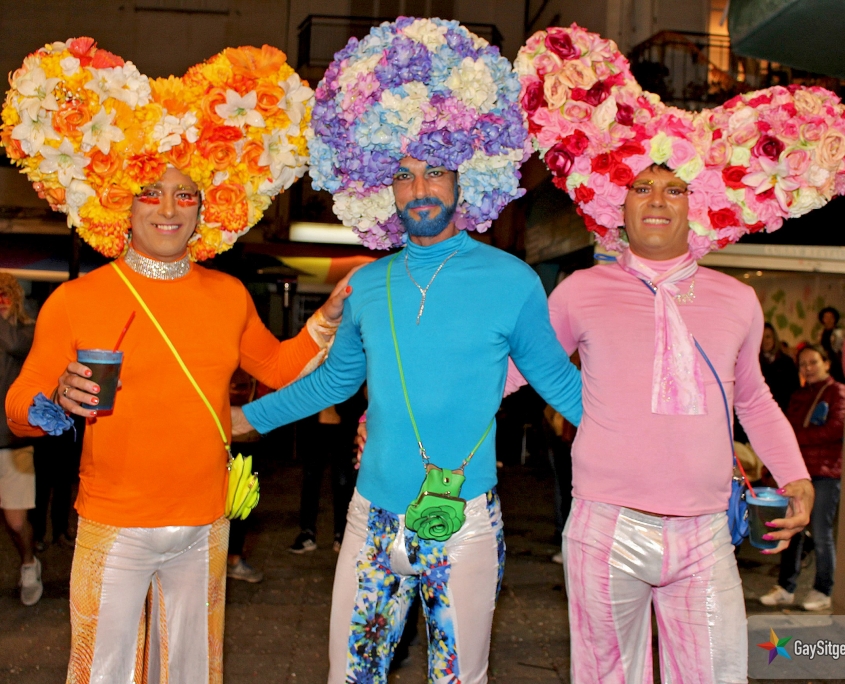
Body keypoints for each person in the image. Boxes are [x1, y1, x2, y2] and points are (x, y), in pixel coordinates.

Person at [231, 18, 583, 683]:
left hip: (466, 520)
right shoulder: (367, 284)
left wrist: (651, 449)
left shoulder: (511, 280)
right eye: (403, 174)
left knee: (459, 679)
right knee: (350, 676)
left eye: (435, 172)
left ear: (466, 178)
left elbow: (560, 384)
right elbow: (334, 382)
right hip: (369, 517)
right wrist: (243, 421)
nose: (420, 190)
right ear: (381, 185)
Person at [3, 38, 351, 682]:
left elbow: (278, 369)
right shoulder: (77, 300)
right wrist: (55, 400)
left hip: (205, 521)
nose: (167, 209)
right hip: (112, 523)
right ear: (120, 202)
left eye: (184, 194)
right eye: (149, 192)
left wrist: (325, 321)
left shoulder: (229, 294)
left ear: (206, 207)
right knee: (102, 672)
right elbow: (17, 408)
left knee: (192, 670)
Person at [513, 24, 841, 682]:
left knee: (719, 673)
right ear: (619, 203)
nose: (657, 201)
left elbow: (753, 398)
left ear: (697, 205)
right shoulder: (580, 291)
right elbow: (515, 370)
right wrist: (411, 417)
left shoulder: (735, 299)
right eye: (641, 187)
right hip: (604, 525)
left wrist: (796, 476)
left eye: (673, 189)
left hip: (706, 532)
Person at [761, 344, 843, 611]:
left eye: (813, 362)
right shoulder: (798, 395)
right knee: (791, 529)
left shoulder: (837, 392)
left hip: (826, 473)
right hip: (798, 473)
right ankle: (786, 588)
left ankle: (823, 590)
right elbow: (785, 430)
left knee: (821, 533)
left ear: (826, 363)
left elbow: (835, 429)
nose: (808, 368)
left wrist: (796, 439)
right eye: (803, 364)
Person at [0, 274, 40, 605]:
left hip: (13, 442)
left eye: (5, 296)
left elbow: (13, 345)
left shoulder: (28, 332)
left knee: (15, 521)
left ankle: (29, 563)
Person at [760, 322, 800, 413]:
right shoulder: (754, 363)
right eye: (761, 337)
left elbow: (795, 390)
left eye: (768, 337)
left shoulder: (787, 362)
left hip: (785, 411)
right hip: (762, 412)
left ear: (774, 338)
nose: (764, 341)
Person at [818, 307, 845, 383]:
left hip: (837, 363)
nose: (829, 320)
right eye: (826, 317)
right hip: (825, 362)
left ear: (835, 319)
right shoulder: (820, 333)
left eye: (831, 317)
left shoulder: (839, 333)